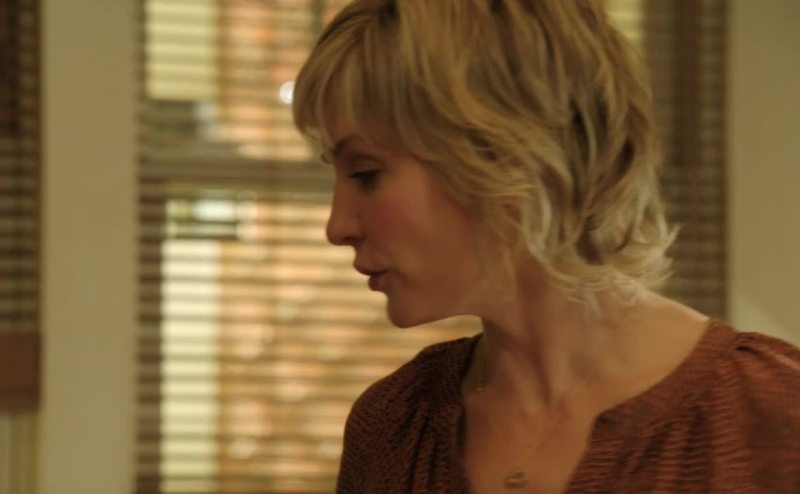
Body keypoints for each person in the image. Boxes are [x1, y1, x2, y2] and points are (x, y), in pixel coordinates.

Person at [292, 0, 800, 492]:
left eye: (365, 173)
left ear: (506, 153)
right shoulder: (393, 428)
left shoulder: (771, 414)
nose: (338, 227)